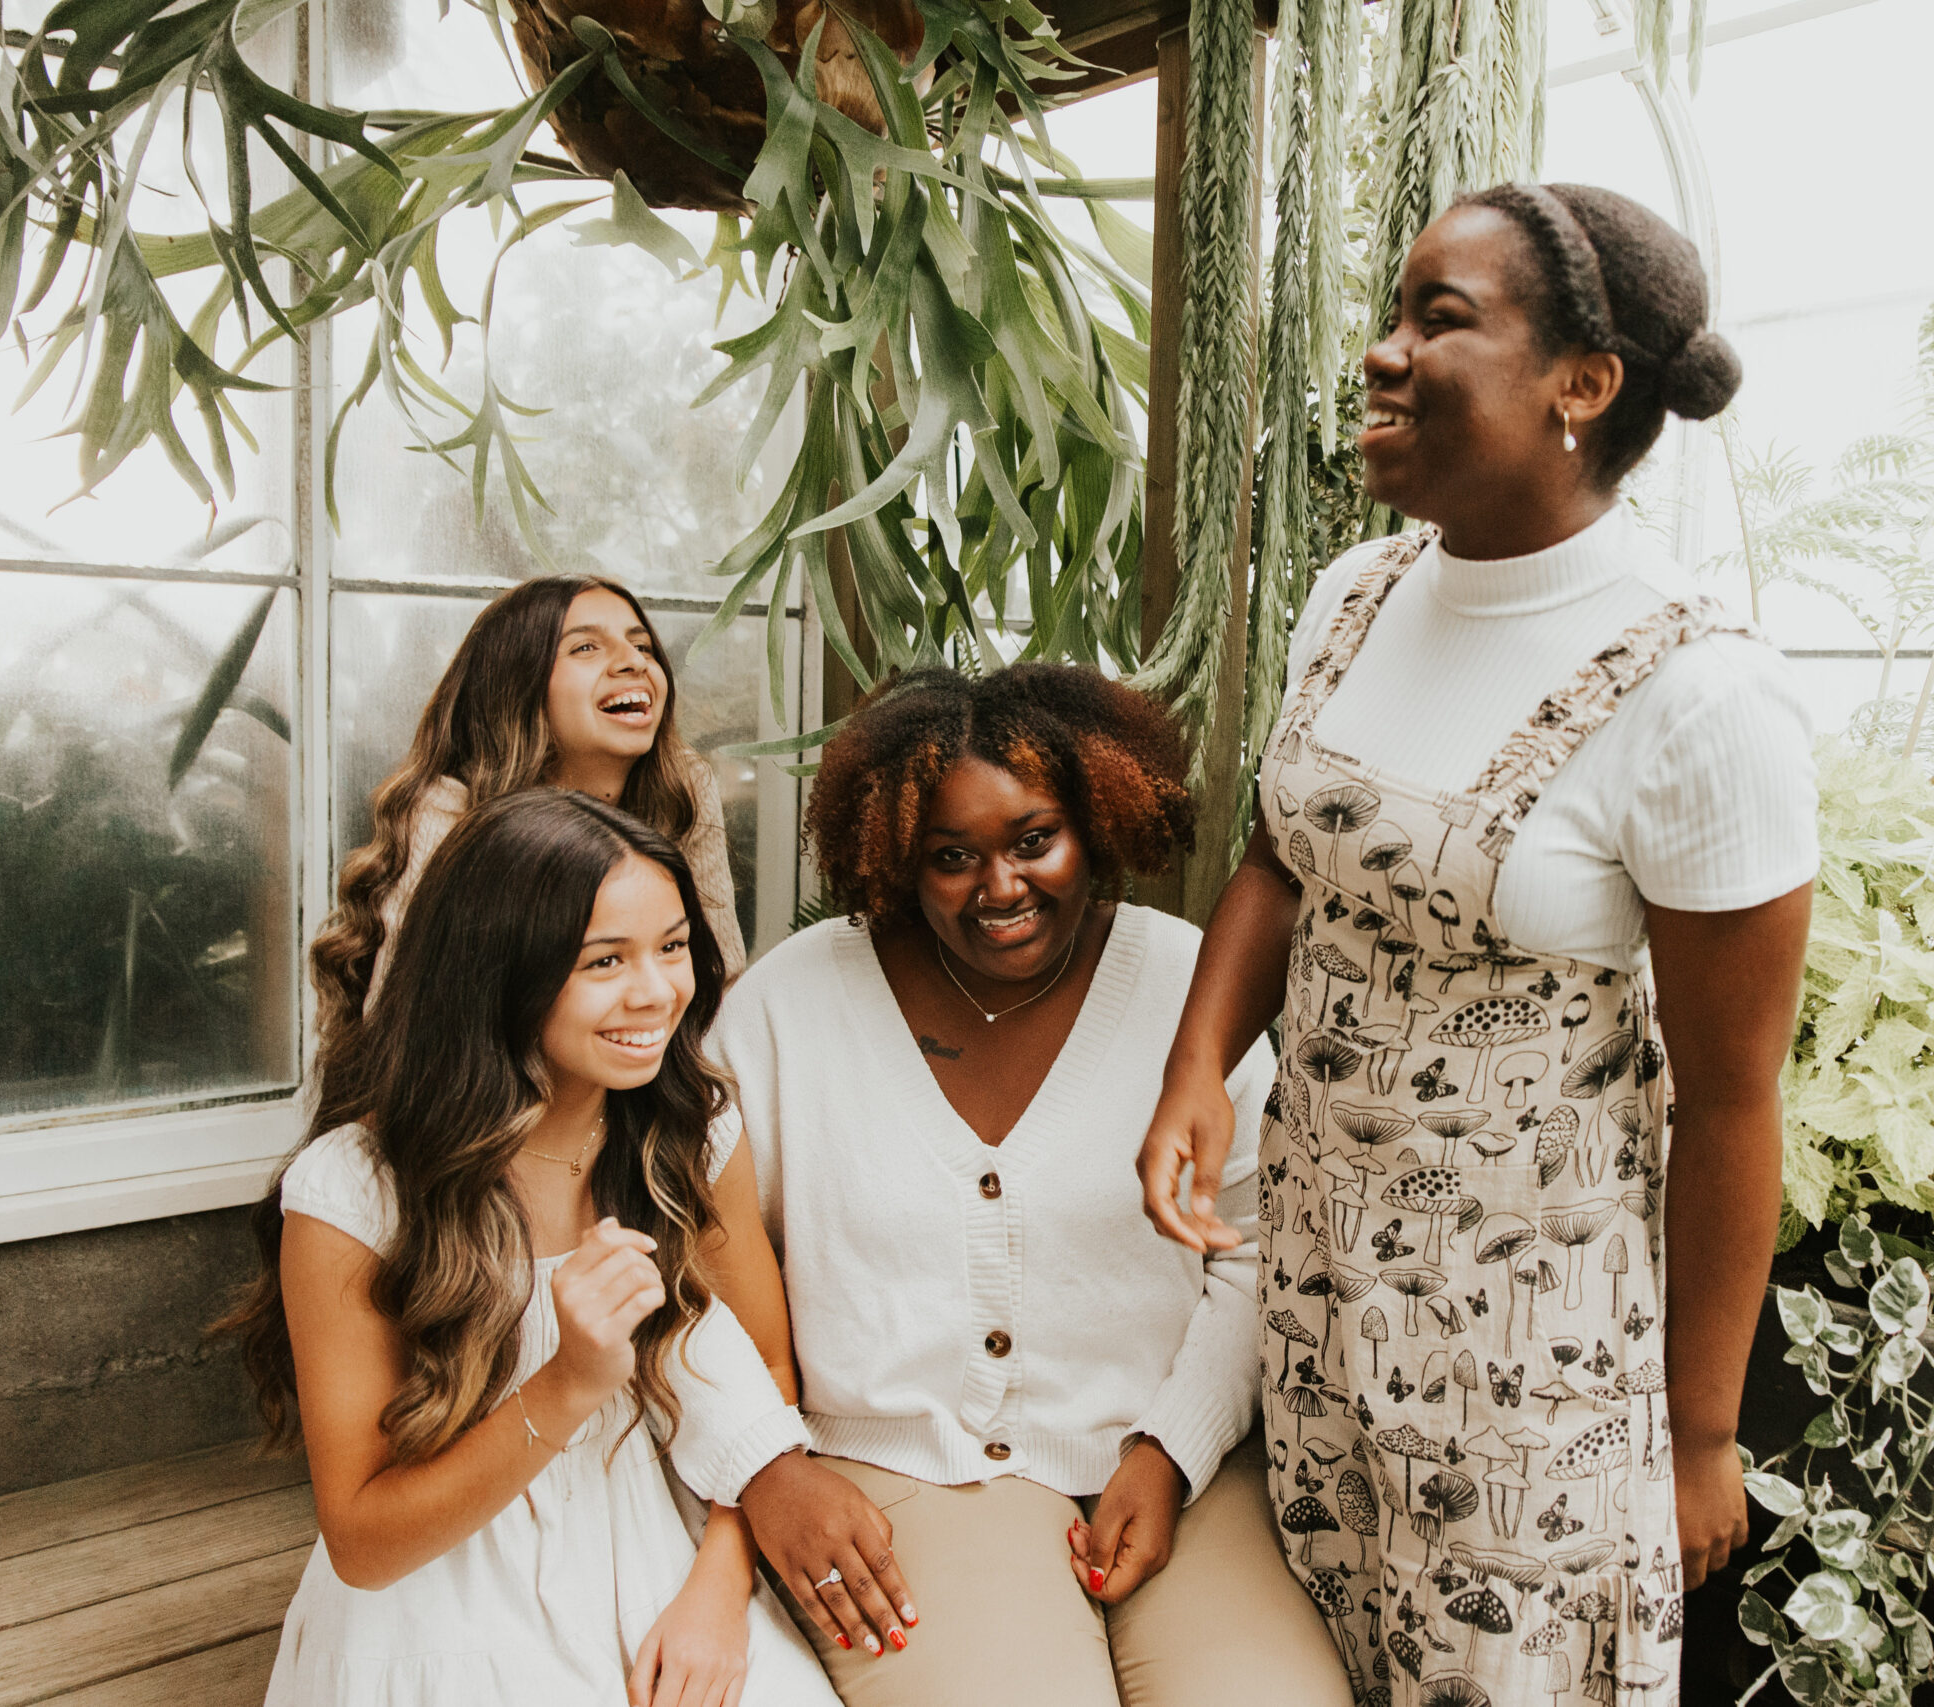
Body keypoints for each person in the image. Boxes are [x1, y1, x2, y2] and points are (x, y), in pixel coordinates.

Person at [1136, 183, 1817, 1707]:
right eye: (1394, 310)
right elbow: (1277, 856)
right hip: (1318, 1296)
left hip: (1527, 1365)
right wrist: (1196, 1069)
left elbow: (1732, 1098)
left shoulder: (1699, 697)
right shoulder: (1356, 596)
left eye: (1438, 318)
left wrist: (1699, 1433)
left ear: (1584, 384)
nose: (1382, 353)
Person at [707, 664, 1353, 1707]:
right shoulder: (792, 1006)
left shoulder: (1189, 988)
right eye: (951, 857)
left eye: (1031, 840)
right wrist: (767, 1464)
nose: (999, 886)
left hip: (1168, 1471)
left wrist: (1170, 1448)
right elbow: (702, 1265)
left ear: (1098, 820)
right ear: (893, 855)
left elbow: (1256, 1251)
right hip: (905, 1477)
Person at [214, 789, 839, 1707]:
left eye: (672, 947)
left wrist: (718, 1584)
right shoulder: (354, 1191)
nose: (657, 991)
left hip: (667, 1540)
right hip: (442, 1587)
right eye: (604, 960)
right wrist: (568, 1381)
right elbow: (363, 1539)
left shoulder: (692, 1135)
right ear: (498, 971)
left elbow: (771, 1369)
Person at [311, 574, 750, 1043]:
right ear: (516, 684)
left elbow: (720, 978)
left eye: (643, 646)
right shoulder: (449, 813)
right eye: (585, 648)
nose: (633, 663)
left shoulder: (682, 785)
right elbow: (404, 1021)